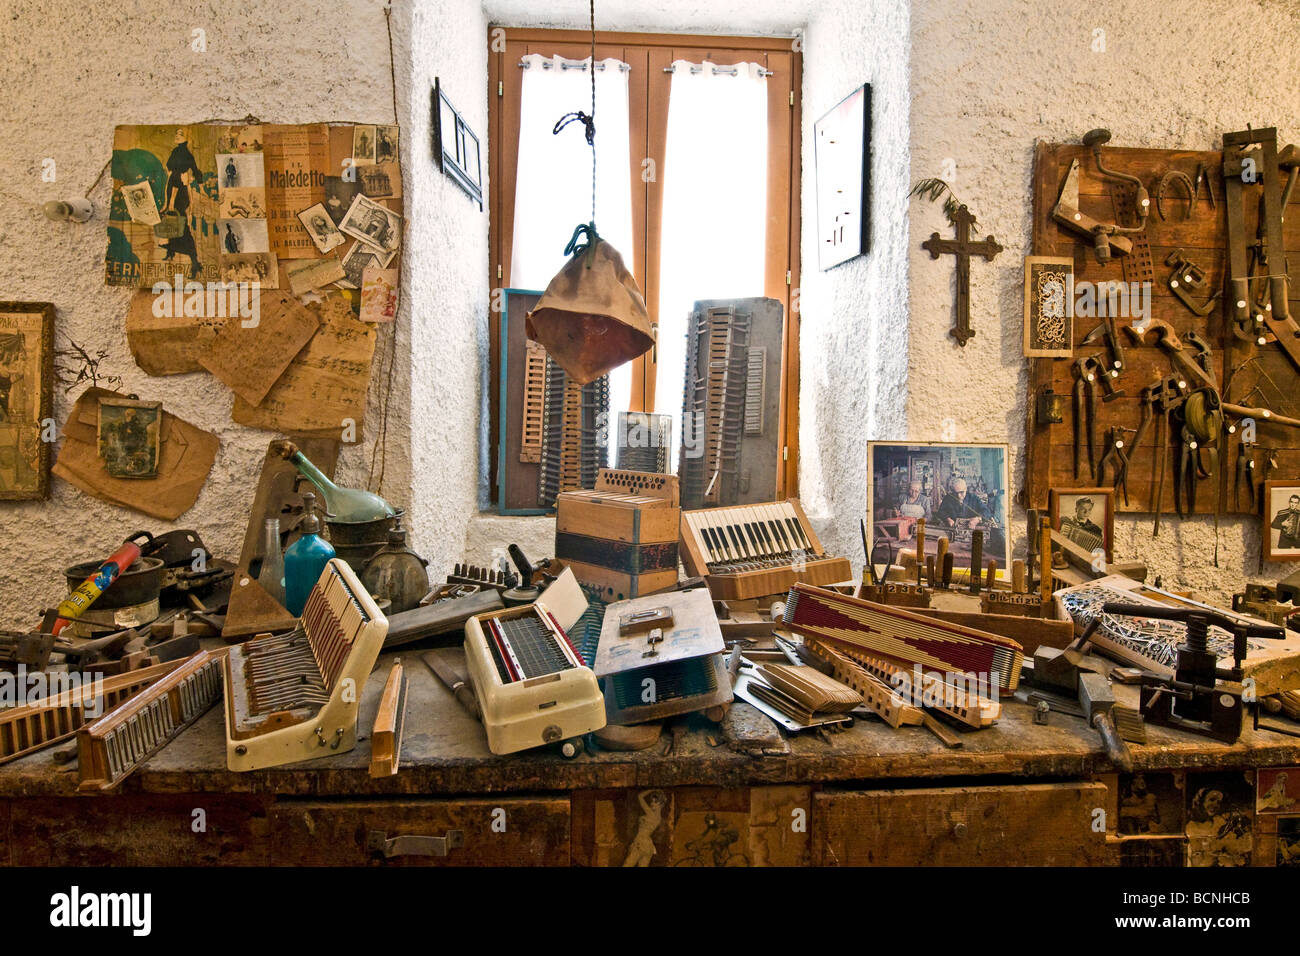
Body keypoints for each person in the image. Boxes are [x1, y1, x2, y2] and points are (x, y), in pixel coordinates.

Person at [160, 127, 204, 278]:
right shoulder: (179, 153)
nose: (177, 137)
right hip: (176, 190)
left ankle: (195, 262)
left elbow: (196, 171)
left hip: (180, 193)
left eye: (180, 136)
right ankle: (171, 251)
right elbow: (172, 172)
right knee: (173, 221)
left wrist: (199, 184)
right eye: (177, 134)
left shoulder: (184, 155)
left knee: (181, 225)